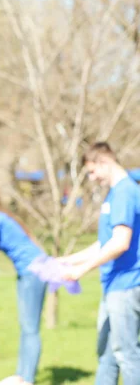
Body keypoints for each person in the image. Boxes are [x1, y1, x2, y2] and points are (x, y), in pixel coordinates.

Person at [60, 142, 140, 385]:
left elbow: (120, 242)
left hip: (126, 285)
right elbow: (104, 242)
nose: (92, 178)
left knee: (126, 354)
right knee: (107, 354)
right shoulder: (115, 193)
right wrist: (67, 261)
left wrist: (82, 270)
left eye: (93, 171)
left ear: (105, 162)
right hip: (113, 285)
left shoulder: (125, 191)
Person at [0, 187, 47, 385]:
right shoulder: (2, 216)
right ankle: (22, 376)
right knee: (28, 327)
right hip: (35, 270)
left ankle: (26, 380)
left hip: (32, 272)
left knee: (30, 328)